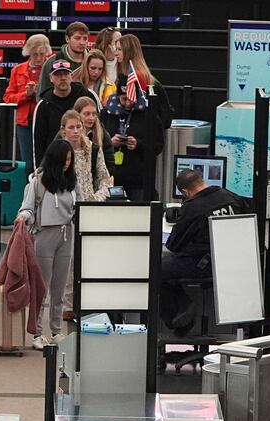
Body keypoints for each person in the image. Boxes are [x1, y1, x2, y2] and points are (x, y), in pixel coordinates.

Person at [160, 167, 242, 329]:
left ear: (185, 192)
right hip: (233, 262)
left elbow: (173, 245)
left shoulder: (193, 208)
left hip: (205, 264)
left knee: (157, 269)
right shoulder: (231, 198)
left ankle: (180, 315)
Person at [18, 137, 79, 347]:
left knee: (59, 288)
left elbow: (77, 206)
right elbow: (27, 207)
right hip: (45, 235)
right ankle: (36, 332)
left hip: (66, 234)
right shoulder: (38, 182)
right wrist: (24, 217)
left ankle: (56, 330)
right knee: (41, 287)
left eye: (70, 159)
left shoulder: (72, 181)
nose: (67, 164)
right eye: (64, 159)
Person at [102, 33, 171, 203]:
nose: (115, 53)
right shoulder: (120, 79)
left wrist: (141, 140)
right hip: (119, 170)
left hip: (140, 168)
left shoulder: (148, 82)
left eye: (119, 49)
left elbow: (164, 118)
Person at [30, 59, 95, 163]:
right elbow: (38, 142)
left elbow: (99, 128)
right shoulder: (43, 105)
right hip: (55, 161)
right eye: (58, 75)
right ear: (51, 78)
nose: (63, 78)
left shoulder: (86, 95)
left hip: (85, 158)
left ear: (71, 76)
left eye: (66, 74)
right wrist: (39, 171)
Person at [3, 35, 51, 167]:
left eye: (42, 54)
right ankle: (28, 187)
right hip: (24, 123)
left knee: (46, 160)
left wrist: (39, 92)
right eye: (35, 54)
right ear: (28, 53)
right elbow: (8, 98)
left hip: (46, 120)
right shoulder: (17, 70)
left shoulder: (51, 69)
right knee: (27, 163)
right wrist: (26, 94)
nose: (39, 58)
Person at [69, 98, 113, 201]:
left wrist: (97, 196)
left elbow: (108, 166)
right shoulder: (64, 136)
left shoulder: (102, 134)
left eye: (94, 114)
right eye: (87, 114)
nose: (91, 118)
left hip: (92, 193)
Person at [38, 20, 91, 97]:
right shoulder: (52, 62)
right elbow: (43, 94)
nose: (82, 42)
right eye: (77, 38)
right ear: (67, 39)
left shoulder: (93, 61)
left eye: (85, 39)